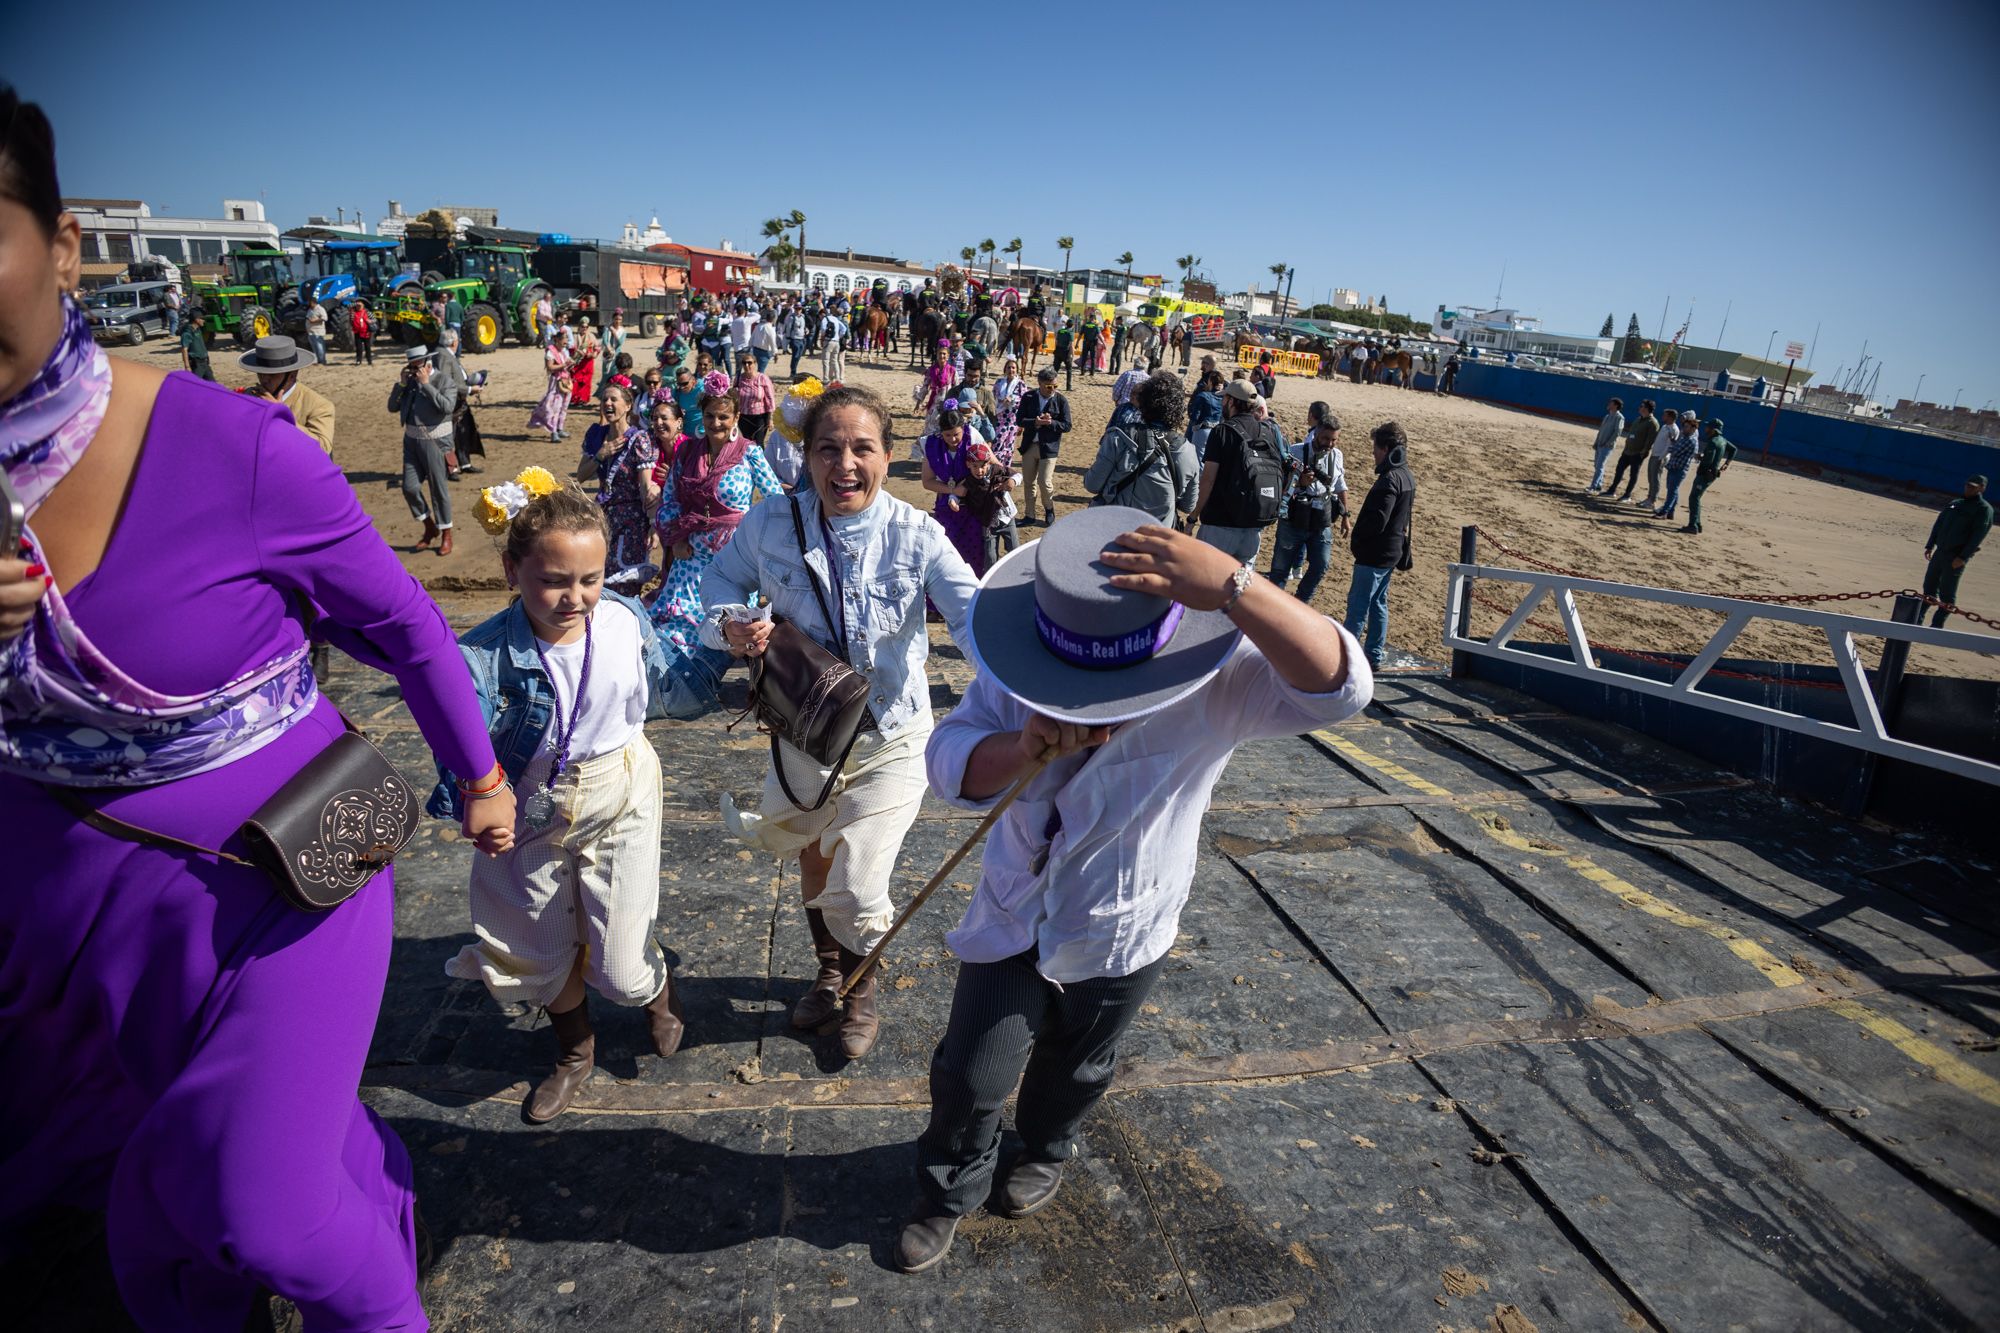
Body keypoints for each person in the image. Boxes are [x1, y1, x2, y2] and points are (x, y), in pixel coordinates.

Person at [0, 87, 513, 1325]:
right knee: (140, 1170)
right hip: (58, 901)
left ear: (63, 243)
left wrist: (480, 777)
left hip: (297, 851)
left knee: (261, 1207)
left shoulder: (236, 447)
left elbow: (403, 625)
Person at [895, 506, 1373, 1271]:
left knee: (1079, 1064)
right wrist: (1018, 747)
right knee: (973, 1069)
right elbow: (949, 754)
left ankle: (1047, 1145)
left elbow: (1342, 684)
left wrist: (1233, 584)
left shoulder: (1214, 686)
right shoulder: (1016, 665)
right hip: (1015, 911)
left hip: (1126, 923)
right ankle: (949, 1185)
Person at [700, 385, 980, 1061]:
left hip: (890, 732)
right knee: (816, 858)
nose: (844, 464)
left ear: (889, 456)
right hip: (805, 723)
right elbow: (718, 583)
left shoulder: (918, 535)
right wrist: (732, 626)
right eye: (829, 447)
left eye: (862, 448)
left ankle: (860, 987)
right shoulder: (770, 523)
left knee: (858, 882)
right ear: (806, 456)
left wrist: (1028, 680)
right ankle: (830, 969)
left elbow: (972, 615)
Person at [433, 483, 694, 1125]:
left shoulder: (627, 619)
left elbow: (662, 688)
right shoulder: (481, 656)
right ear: (510, 569)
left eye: (591, 579)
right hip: (526, 800)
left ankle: (654, 989)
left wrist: (732, 646)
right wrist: (475, 799)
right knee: (537, 945)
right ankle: (574, 1052)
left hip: (621, 787)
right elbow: (459, 748)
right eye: (553, 581)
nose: (575, 598)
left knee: (623, 970)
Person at [648, 390, 784, 672]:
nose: (716, 422)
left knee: (728, 623)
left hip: (735, 558)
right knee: (677, 618)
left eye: (723, 416)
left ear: (736, 417)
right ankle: (675, 678)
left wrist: (759, 543)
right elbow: (670, 498)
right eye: (710, 415)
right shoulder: (686, 452)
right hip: (692, 553)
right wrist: (677, 539)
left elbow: (775, 501)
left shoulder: (750, 453)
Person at [1082, 371, 1199, 527]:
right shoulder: (1188, 450)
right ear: (1178, 409)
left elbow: (1092, 484)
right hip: (1159, 537)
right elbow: (1188, 505)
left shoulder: (1119, 437)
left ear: (1143, 403)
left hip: (1117, 530)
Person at [1343, 420, 1416, 670]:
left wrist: (1358, 541)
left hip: (1375, 554)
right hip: (1392, 552)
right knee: (1378, 604)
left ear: (1385, 449)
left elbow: (1377, 520)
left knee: (1358, 606)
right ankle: (1373, 655)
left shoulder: (1390, 479)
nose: (1373, 452)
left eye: (1375, 447)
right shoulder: (1406, 475)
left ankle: (1348, 659)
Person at [1193, 379, 1283, 563]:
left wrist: (1193, 515)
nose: (1222, 403)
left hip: (1220, 523)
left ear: (1232, 402)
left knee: (1208, 584)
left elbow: (1208, 479)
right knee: (1240, 588)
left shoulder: (1222, 432)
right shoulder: (1267, 431)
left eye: (1224, 399)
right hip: (1253, 527)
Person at [1269, 403, 1349, 602]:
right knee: (1280, 569)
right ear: (1316, 433)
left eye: (1334, 440)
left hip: (1321, 520)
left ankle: (1300, 602)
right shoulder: (1295, 452)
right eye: (1326, 438)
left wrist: (1346, 515)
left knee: (1321, 565)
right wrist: (1299, 484)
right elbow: (1281, 485)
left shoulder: (1337, 456)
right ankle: (1273, 606)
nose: (1329, 444)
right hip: (1293, 519)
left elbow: (1340, 484)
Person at [390, 343, 458, 554]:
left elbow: (447, 407)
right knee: (409, 487)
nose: (415, 372)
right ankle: (429, 526)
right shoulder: (409, 383)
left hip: (435, 442)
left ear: (429, 364)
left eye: (417, 367)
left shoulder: (444, 381)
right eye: (412, 368)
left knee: (438, 490)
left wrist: (427, 384)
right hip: (411, 441)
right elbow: (392, 407)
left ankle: (446, 533)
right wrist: (401, 384)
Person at [922, 400, 989, 572]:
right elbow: (927, 482)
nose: (953, 439)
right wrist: (953, 490)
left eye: (956, 434)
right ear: (941, 433)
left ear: (963, 429)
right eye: (947, 435)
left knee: (974, 555)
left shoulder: (972, 436)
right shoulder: (931, 445)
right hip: (945, 509)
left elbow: (992, 464)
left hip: (973, 508)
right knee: (946, 555)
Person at [241, 335, 335, 453]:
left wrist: (283, 418)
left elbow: (323, 448)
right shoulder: (248, 396)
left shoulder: (319, 405)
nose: (264, 379)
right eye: (260, 373)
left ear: (291, 375)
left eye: (272, 374)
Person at [1921, 475, 1992, 627]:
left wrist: (1963, 557)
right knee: (1928, 588)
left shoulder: (1983, 509)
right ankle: (1916, 620)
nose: (1968, 489)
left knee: (1947, 595)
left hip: (1955, 557)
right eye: (1968, 485)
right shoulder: (1956, 503)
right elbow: (1939, 524)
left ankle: (1936, 626)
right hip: (1940, 553)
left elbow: (1977, 537)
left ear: (1982, 488)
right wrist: (1930, 545)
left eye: (1973, 487)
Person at [1016, 367, 1071, 526]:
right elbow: (1019, 420)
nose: (1052, 390)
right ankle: (1030, 515)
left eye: (1055, 386)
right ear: (1039, 383)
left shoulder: (1061, 400)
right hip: (1030, 445)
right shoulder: (1028, 397)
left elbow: (1067, 425)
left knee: (1045, 482)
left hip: (1049, 448)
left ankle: (1049, 509)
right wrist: (1035, 422)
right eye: (1048, 386)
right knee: (1028, 482)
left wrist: (1051, 423)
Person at [1681, 417, 1735, 536]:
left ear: (1713, 429)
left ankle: (1692, 526)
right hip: (1712, 474)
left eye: (1708, 427)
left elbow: (1708, 460)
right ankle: (1697, 524)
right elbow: (1733, 450)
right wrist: (1726, 463)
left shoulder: (1713, 442)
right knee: (1697, 497)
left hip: (1705, 474)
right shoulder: (1722, 440)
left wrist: (1701, 458)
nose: (1706, 429)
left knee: (1694, 498)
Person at [530, 327, 574, 443]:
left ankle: (560, 428)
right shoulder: (551, 352)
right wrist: (563, 365)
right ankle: (553, 432)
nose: (565, 343)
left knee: (564, 406)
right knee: (555, 406)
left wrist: (570, 364)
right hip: (556, 382)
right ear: (557, 341)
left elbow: (565, 365)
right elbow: (550, 367)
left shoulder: (563, 351)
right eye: (564, 341)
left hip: (566, 381)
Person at [1655, 411, 1699, 521]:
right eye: (1684, 426)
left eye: (1687, 427)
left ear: (1693, 429)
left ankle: (1665, 511)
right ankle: (1670, 512)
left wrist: (1672, 447)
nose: (1684, 428)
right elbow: (1675, 447)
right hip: (1674, 466)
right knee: (1672, 489)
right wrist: (1673, 444)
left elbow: (1675, 451)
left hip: (1679, 468)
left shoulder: (1690, 440)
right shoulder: (1684, 437)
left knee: (1672, 490)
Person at [1611, 399, 1659, 501]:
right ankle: (1612, 490)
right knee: (1619, 469)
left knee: (1633, 475)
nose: (1640, 408)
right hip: (1627, 451)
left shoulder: (1653, 423)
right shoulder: (1638, 419)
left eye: (1642, 406)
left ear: (1647, 408)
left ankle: (1627, 495)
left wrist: (1642, 453)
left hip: (1637, 453)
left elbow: (1650, 440)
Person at [1639, 406, 1679, 509]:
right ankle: (1649, 498)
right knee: (1651, 477)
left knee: (1655, 478)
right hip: (1654, 454)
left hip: (1660, 457)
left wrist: (1661, 457)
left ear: (1670, 417)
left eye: (1665, 415)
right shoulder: (1665, 426)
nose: (1663, 417)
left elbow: (1669, 446)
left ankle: (1652, 500)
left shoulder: (1673, 429)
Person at [990, 355, 1027, 463]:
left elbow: (1024, 402)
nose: (1011, 370)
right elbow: (993, 397)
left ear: (1017, 370)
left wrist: (1013, 400)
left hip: (1012, 421)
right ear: (1005, 369)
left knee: (1008, 447)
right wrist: (1001, 401)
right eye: (1009, 367)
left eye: (1013, 368)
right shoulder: (999, 382)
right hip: (1000, 418)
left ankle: (1005, 469)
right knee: (997, 443)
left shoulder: (1020, 384)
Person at [734, 351, 776, 445]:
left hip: (760, 417)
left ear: (755, 363)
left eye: (750, 362)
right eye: (744, 363)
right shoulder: (738, 378)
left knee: (759, 444)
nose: (747, 365)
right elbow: (734, 398)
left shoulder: (762, 378)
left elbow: (770, 399)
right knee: (747, 443)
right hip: (743, 417)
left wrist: (770, 418)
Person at [1585, 397, 1625, 493]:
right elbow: (1601, 430)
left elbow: (1617, 432)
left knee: (1599, 466)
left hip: (1607, 446)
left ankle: (1593, 486)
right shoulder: (1607, 416)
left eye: (1610, 403)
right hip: (1600, 444)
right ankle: (1598, 485)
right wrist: (1596, 442)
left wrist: (1607, 443)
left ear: (1616, 405)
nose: (1608, 404)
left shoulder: (1620, 417)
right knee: (1597, 465)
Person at [1187, 369, 1224, 461]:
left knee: (1198, 459)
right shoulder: (1223, 397)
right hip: (1216, 430)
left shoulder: (1203, 396)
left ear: (1210, 382)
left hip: (1202, 429)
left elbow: (1195, 416)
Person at [177, 302, 213, 380]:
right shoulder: (187, 333)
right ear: (197, 319)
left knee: (212, 385)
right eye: (202, 319)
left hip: (205, 363)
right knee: (196, 385)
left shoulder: (198, 330)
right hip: (196, 364)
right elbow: (184, 349)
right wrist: (187, 366)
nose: (204, 321)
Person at [821, 304, 849, 382]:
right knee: (834, 361)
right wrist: (839, 336)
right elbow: (843, 329)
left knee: (826, 361)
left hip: (828, 341)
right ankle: (837, 378)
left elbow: (823, 329)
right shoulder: (836, 319)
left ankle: (826, 379)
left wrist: (823, 337)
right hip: (836, 342)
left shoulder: (825, 319)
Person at [783, 302, 809, 378]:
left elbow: (804, 326)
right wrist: (788, 338)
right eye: (797, 309)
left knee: (799, 356)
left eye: (800, 309)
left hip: (802, 338)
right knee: (795, 356)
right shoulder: (792, 317)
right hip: (794, 339)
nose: (798, 310)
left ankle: (794, 370)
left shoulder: (803, 317)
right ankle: (793, 372)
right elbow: (788, 328)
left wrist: (806, 330)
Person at [304, 296, 328, 365]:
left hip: (318, 331)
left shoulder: (320, 309)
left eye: (310, 302)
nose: (309, 303)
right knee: (314, 347)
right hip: (310, 331)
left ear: (313, 302)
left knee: (320, 347)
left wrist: (315, 320)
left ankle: (322, 360)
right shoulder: (310, 310)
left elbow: (325, 318)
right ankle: (317, 360)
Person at [1052, 318, 1075, 390]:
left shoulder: (1060, 331)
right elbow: (1071, 345)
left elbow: (1056, 341)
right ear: (1073, 325)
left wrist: (1056, 350)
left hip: (1058, 350)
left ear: (1066, 324)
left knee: (1055, 370)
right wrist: (1072, 354)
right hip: (1066, 352)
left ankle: (1052, 385)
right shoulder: (1070, 332)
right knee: (1069, 370)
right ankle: (1068, 387)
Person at [349, 299, 374, 363]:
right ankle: (359, 360)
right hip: (357, 332)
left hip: (366, 332)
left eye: (360, 305)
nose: (358, 306)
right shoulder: (353, 312)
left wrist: (370, 321)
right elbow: (348, 306)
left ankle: (369, 360)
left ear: (363, 305)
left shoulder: (367, 312)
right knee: (358, 347)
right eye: (357, 305)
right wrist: (357, 303)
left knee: (367, 347)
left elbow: (374, 319)